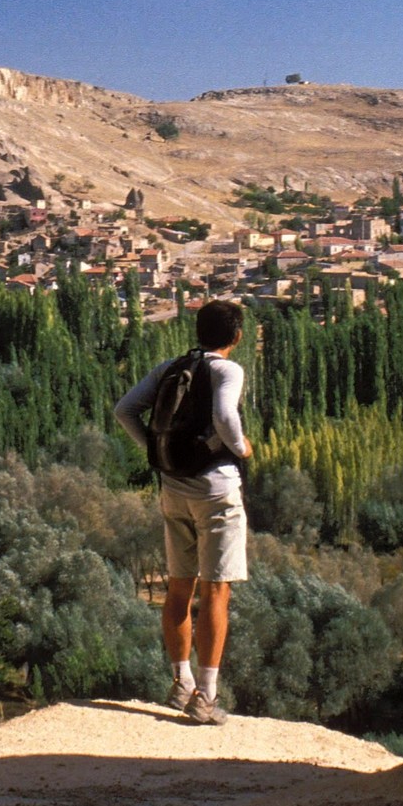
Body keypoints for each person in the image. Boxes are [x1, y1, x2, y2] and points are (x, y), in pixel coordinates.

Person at [113, 298, 251, 725]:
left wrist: (158, 454)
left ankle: (181, 685)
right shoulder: (228, 369)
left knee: (178, 588)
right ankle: (207, 697)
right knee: (216, 591)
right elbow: (225, 415)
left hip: (173, 488)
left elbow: (124, 410)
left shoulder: (170, 368)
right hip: (217, 489)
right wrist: (242, 447)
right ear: (237, 336)